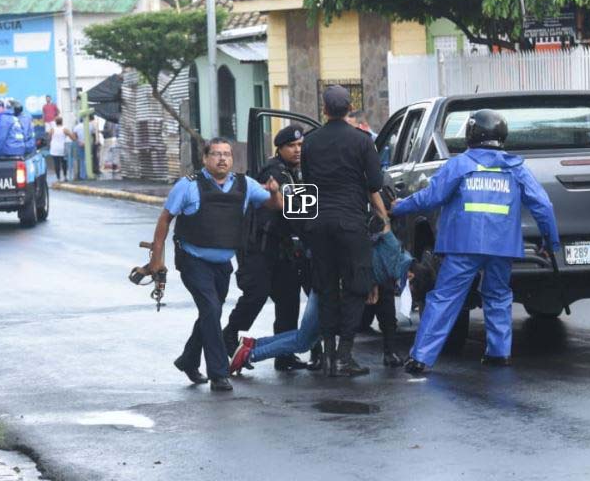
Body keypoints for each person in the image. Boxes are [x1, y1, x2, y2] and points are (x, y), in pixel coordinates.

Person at [391, 109, 560, 373]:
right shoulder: (515, 168)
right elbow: (543, 205)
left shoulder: (460, 165)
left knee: (445, 298)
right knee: (498, 295)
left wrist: (398, 207)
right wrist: (551, 242)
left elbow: (431, 198)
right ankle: (498, 353)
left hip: (462, 245)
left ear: (471, 133)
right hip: (502, 246)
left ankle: (421, 357)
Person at [144, 138, 283, 392]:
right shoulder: (188, 186)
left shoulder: (245, 184)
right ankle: (219, 373)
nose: (222, 159)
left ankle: (188, 359)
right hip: (193, 260)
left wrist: (274, 191)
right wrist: (157, 258)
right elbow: (165, 218)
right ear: (205, 158)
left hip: (223, 264)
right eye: (216, 154)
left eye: (227, 154)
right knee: (210, 308)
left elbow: (275, 205)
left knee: (211, 312)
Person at [301, 85, 390, 377]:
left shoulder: (310, 141)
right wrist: (383, 217)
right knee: (356, 287)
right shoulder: (362, 141)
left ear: (324, 110)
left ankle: (327, 355)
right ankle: (344, 355)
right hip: (351, 224)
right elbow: (375, 183)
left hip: (318, 224)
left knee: (326, 287)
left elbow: (307, 182)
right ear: (350, 108)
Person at [230, 249, 435, 374]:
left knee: (307, 337)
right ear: (410, 276)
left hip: (324, 282)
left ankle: (253, 344)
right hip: (327, 288)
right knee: (303, 341)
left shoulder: (395, 256)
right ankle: (250, 355)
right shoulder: (394, 262)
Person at [222, 124, 314, 372]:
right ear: (280, 148)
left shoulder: (298, 171)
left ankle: (284, 356)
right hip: (259, 247)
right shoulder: (274, 171)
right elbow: (290, 207)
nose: (297, 150)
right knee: (256, 295)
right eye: (291, 146)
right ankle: (229, 336)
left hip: (282, 248)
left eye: (300, 146)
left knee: (288, 300)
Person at [47, 117, 73, 181]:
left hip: (54, 148)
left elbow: (49, 138)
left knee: (56, 163)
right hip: (62, 148)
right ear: (62, 121)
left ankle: (58, 178)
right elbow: (72, 137)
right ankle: (65, 176)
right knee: (64, 162)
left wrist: (50, 143)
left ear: (56, 122)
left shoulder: (52, 129)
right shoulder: (65, 129)